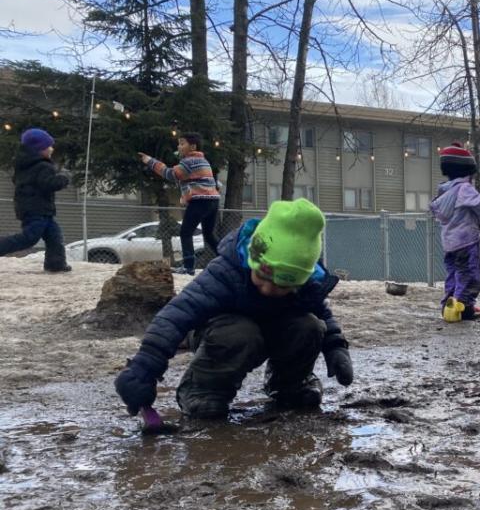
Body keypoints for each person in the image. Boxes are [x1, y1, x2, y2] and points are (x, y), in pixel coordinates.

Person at [114, 198, 354, 420]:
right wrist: (144, 369)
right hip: (221, 335)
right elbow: (176, 315)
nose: (269, 289)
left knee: (309, 326)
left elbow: (322, 314)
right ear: (252, 259)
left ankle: (290, 384)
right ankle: (202, 390)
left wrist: (335, 347)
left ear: (300, 281)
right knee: (240, 333)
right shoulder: (226, 273)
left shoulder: (307, 285)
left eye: (283, 285)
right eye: (262, 275)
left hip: (271, 332)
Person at [138, 132, 220, 275]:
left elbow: (170, 174)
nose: (179, 146)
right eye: (179, 143)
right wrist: (186, 197)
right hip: (212, 200)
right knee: (208, 234)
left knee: (185, 232)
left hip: (200, 201)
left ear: (192, 146)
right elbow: (193, 182)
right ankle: (225, 259)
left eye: (182, 143)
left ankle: (188, 267)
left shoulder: (189, 162)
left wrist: (150, 161)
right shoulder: (203, 160)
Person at [431, 142, 480, 322]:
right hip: (466, 242)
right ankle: (464, 308)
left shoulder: (444, 190)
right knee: (469, 275)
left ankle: (448, 306)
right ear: (467, 170)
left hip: (450, 245)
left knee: (454, 275)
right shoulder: (464, 188)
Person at [0, 128, 71, 272]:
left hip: (36, 208)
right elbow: (48, 184)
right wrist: (63, 179)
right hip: (37, 209)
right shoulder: (43, 166)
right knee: (29, 238)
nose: (51, 149)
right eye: (48, 146)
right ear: (39, 149)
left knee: (54, 237)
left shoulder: (25, 165)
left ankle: (55, 264)